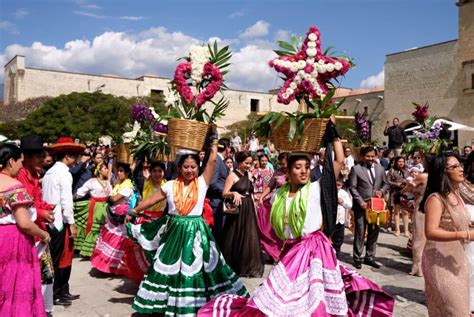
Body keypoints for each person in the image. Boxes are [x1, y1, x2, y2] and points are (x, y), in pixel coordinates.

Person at [199, 119, 394, 316]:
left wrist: (333, 135)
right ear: (288, 171)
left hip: (315, 250)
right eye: (298, 167)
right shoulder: (279, 195)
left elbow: (339, 161)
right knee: (283, 296)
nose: (304, 171)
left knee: (315, 297)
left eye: (307, 167)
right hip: (291, 250)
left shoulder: (316, 188)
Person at [126, 140, 248, 315]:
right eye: (186, 167)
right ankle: (167, 303)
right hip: (174, 232)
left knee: (199, 266)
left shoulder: (202, 183)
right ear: (179, 168)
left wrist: (213, 143)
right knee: (170, 267)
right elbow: (151, 200)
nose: (190, 170)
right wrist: (134, 210)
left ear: (198, 168)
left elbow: (212, 161)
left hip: (197, 232)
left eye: (193, 167)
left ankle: (199, 302)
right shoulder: (169, 186)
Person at [0, 144, 49, 317]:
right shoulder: (14, 186)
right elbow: (24, 223)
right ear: (11, 161)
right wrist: (43, 234)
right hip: (13, 240)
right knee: (16, 284)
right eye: (20, 161)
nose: (21, 165)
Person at [421, 153, 471, 315]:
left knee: (461, 308)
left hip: (456, 259)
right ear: (443, 172)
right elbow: (431, 231)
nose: (461, 169)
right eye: (454, 167)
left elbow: (457, 222)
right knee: (453, 310)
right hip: (439, 261)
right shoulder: (436, 198)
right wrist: (466, 234)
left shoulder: (456, 196)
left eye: (460, 165)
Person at [42, 137, 85, 306]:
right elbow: (66, 201)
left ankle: (60, 291)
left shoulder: (50, 173)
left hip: (50, 220)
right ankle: (57, 292)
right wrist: (72, 223)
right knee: (60, 258)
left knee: (55, 257)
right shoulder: (64, 174)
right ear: (67, 156)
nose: (76, 160)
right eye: (74, 156)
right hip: (60, 221)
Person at [17, 135, 55, 314]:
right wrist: (42, 212)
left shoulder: (34, 175)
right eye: (39, 156)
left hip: (39, 231)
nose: (43, 159)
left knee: (45, 276)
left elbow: (36, 201)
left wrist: (46, 208)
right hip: (29, 234)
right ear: (27, 157)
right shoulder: (21, 177)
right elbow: (25, 207)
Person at [222, 151, 264, 277]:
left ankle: (248, 265)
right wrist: (233, 193)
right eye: (246, 163)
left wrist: (254, 207)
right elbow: (224, 193)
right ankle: (234, 265)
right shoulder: (232, 175)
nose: (248, 165)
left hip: (249, 207)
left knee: (249, 236)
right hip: (237, 209)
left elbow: (249, 192)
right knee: (235, 235)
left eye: (250, 163)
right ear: (239, 162)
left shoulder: (249, 174)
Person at [91, 162, 136, 275]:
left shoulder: (127, 187)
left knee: (117, 242)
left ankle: (114, 268)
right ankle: (107, 267)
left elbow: (113, 199)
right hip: (112, 216)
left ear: (127, 173)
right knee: (109, 240)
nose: (119, 173)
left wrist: (110, 198)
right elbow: (111, 198)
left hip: (120, 219)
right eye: (118, 171)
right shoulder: (118, 185)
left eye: (121, 171)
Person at [349, 145, 389, 269]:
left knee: (374, 231)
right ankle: (357, 257)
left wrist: (381, 191)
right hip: (362, 206)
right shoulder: (356, 169)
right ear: (362, 156)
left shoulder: (380, 169)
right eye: (368, 156)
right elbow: (352, 187)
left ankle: (370, 257)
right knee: (360, 232)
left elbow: (386, 184)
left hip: (376, 206)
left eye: (373, 156)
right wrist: (360, 201)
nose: (370, 158)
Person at [73, 162, 112, 257]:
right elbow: (80, 192)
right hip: (95, 207)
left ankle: (100, 250)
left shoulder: (108, 183)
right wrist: (71, 199)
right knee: (95, 228)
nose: (107, 170)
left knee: (103, 228)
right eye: (105, 168)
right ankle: (90, 251)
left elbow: (111, 195)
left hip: (105, 206)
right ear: (99, 171)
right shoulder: (92, 181)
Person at [401, 168, 427, 277]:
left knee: (419, 237)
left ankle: (418, 267)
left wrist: (402, 190)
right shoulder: (439, 177)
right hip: (433, 205)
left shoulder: (423, 176)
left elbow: (409, 187)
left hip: (421, 205)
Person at [206, 138, 230, 243]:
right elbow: (213, 183)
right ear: (227, 148)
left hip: (221, 202)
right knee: (217, 234)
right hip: (217, 202)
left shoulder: (221, 161)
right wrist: (227, 192)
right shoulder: (218, 161)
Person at [387, 156, 411, 237]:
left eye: (402, 161)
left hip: (405, 193)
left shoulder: (407, 171)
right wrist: (396, 184)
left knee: (405, 212)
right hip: (395, 193)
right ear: (396, 162)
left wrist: (406, 183)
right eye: (399, 161)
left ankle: (406, 230)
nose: (401, 163)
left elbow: (411, 180)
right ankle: (397, 229)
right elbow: (387, 181)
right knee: (396, 211)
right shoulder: (392, 171)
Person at [333, 176, 352, 258]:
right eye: (335, 185)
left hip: (340, 218)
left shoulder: (343, 193)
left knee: (339, 235)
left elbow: (349, 205)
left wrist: (342, 202)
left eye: (339, 185)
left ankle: (338, 250)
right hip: (332, 219)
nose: (337, 187)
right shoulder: (330, 192)